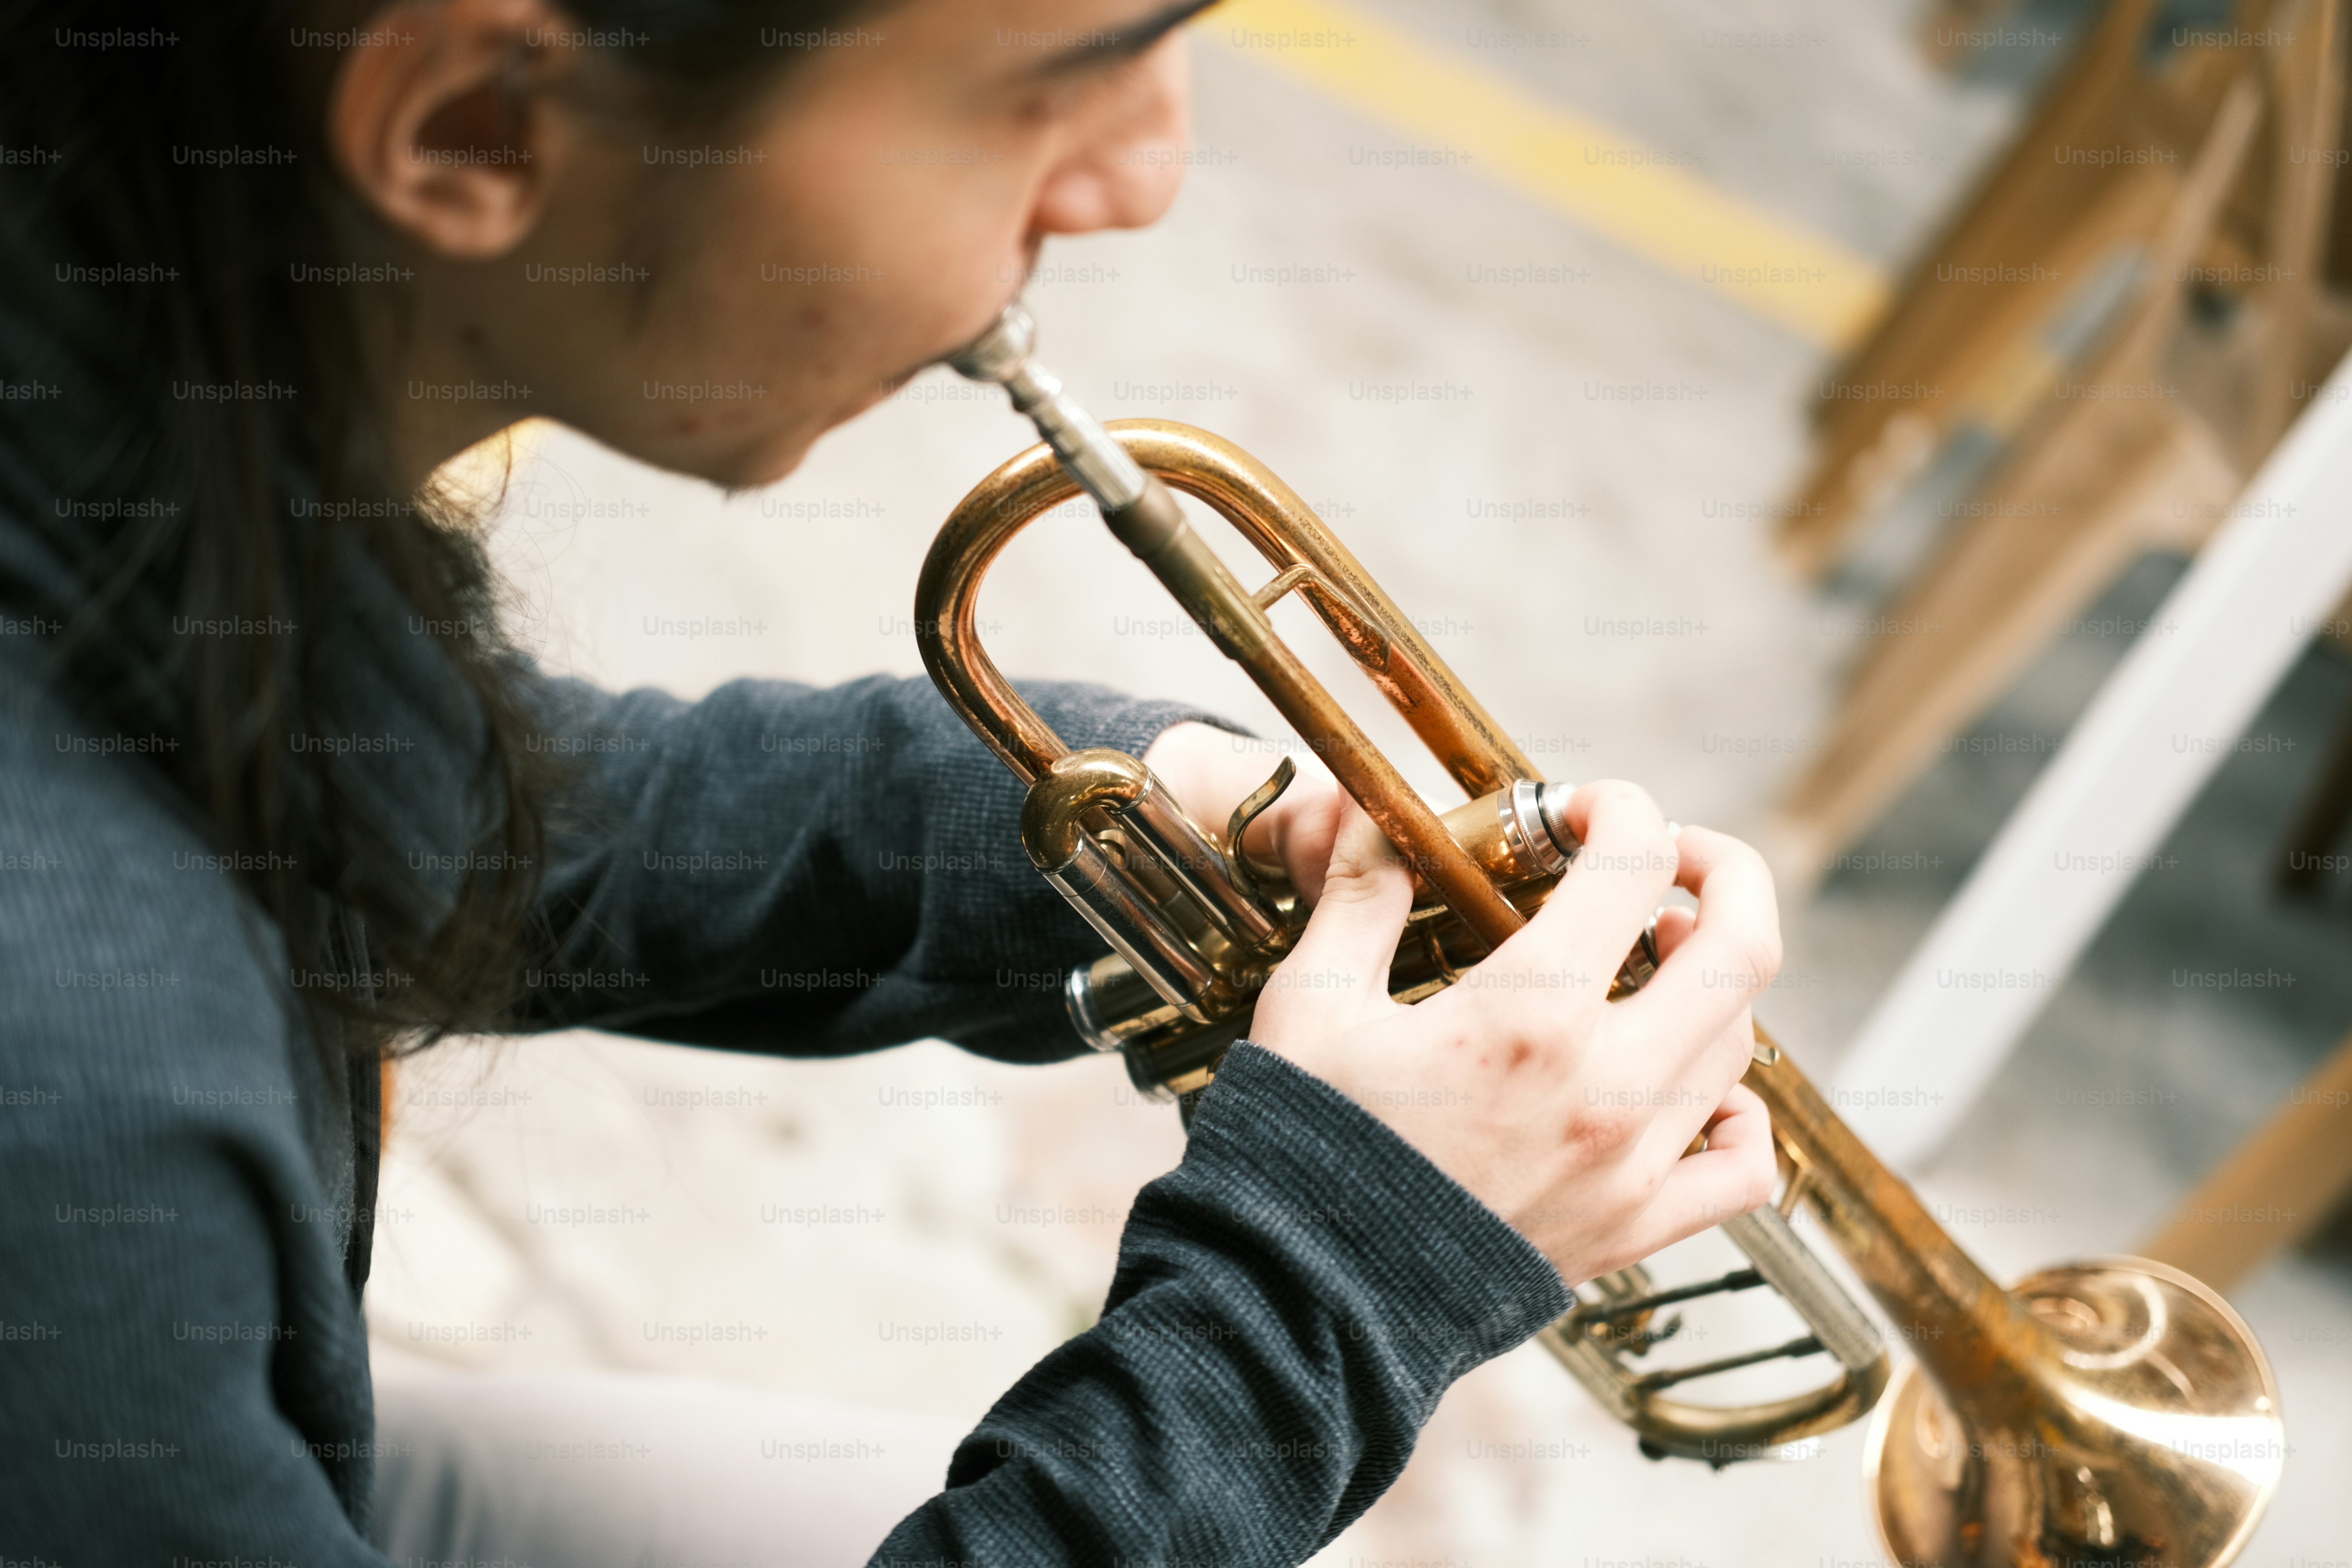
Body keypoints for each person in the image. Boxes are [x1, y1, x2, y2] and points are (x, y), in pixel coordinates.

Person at [0, 1, 1783, 1563]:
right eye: (1058, 80)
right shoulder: (80, 1088)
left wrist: (1151, 827)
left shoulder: (114, 348)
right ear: (480, 125)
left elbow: (423, 810)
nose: (1141, 169)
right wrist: (1344, 1273)